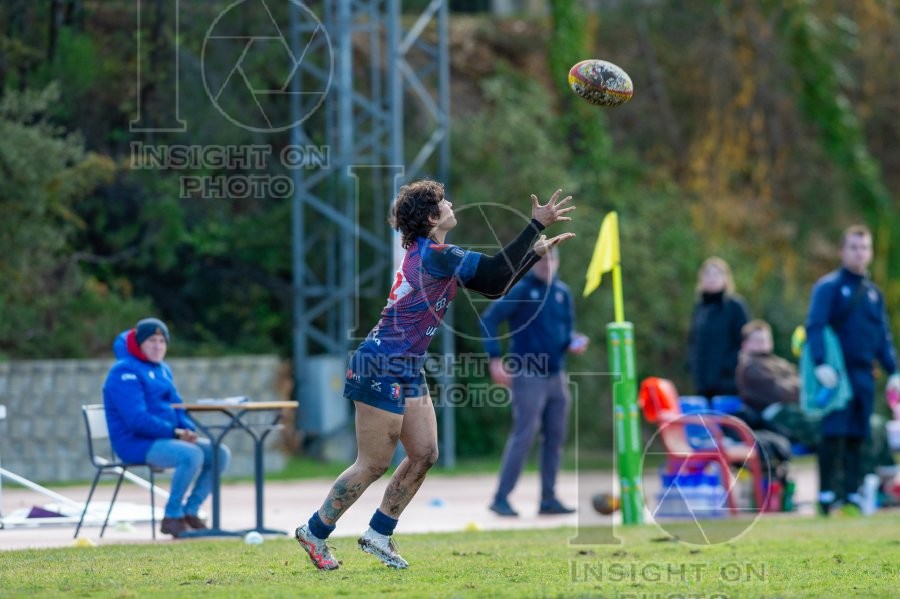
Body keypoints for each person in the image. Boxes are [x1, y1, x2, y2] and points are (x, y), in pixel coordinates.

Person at [294, 180, 576, 571]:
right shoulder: (436, 254)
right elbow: (495, 276)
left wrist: (532, 256)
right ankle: (315, 531)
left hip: (407, 365)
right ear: (430, 217)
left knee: (425, 453)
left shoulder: (434, 254)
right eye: (443, 202)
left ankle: (378, 533)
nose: (450, 204)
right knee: (374, 463)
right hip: (379, 363)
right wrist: (534, 226)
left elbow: (493, 288)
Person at [480, 248, 588, 517]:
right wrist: (495, 359)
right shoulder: (522, 290)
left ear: (558, 261)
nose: (546, 264)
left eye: (551, 258)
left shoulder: (563, 293)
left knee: (555, 436)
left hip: (557, 375)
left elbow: (564, 333)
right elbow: (489, 319)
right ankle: (501, 498)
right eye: (541, 259)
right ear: (531, 264)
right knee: (524, 434)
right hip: (528, 372)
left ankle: (548, 498)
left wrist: (573, 342)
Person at [103, 317, 231, 538]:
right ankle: (172, 516)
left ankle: (190, 511)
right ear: (139, 343)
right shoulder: (123, 371)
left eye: (162, 340)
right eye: (152, 340)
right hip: (135, 443)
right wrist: (175, 433)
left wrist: (188, 429)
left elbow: (177, 408)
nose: (158, 345)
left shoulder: (163, 369)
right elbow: (136, 419)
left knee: (220, 453)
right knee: (191, 455)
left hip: (167, 437)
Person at [805, 224, 899, 515]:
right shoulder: (829, 287)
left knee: (859, 434)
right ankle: (827, 494)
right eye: (854, 247)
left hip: (863, 375)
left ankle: (852, 493)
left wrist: (893, 370)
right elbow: (815, 326)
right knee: (834, 433)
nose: (860, 253)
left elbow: (882, 337)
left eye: (865, 248)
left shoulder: (873, 294)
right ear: (842, 251)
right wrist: (820, 363)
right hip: (836, 376)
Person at [687, 257, 750, 398]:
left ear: (726, 279)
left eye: (716, 274)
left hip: (728, 385)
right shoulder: (700, 308)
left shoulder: (735, 306)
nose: (712, 278)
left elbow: (744, 342)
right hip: (702, 385)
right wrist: (692, 365)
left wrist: (727, 366)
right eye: (707, 274)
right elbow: (693, 341)